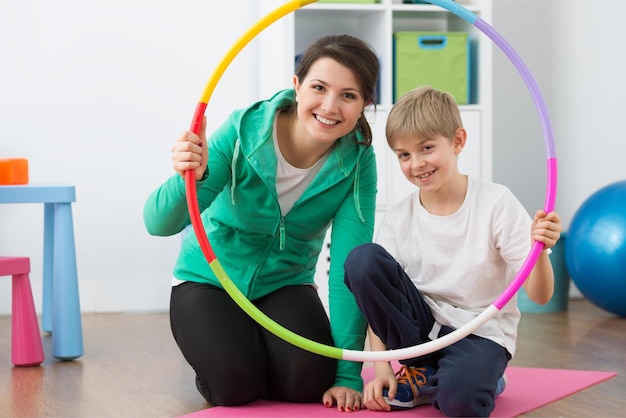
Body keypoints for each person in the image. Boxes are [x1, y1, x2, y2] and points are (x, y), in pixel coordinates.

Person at [143, 34, 379, 412]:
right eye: (319, 88)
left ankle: (253, 353)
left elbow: (347, 269)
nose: (330, 106)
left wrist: (348, 375)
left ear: (365, 104)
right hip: (209, 280)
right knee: (234, 387)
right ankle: (229, 356)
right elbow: (157, 223)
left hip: (285, 282)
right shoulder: (242, 131)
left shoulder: (358, 162)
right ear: (297, 86)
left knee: (310, 382)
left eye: (348, 96)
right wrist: (191, 174)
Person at [343, 86, 563, 417]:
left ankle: (472, 379)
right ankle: (425, 371)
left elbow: (541, 295)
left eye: (426, 148)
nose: (416, 164)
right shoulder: (399, 218)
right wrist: (383, 370)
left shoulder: (496, 203)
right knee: (363, 259)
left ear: (458, 141)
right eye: (403, 155)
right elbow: (380, 302)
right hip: (419, 335)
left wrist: (540, 248)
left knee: (460, 403)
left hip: (480, 334)